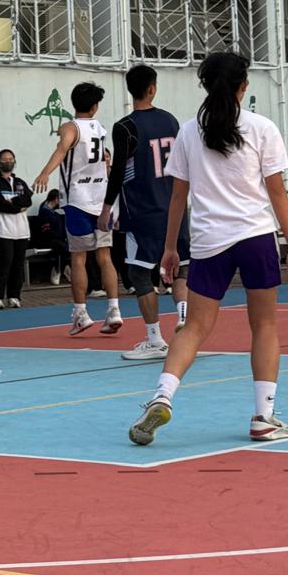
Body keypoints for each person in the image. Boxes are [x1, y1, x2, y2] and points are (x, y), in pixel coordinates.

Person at [129, 52, 288, 447]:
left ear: (205, 86)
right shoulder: (262, 128)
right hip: (256, 237)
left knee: (193, 328)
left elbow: (178, 196)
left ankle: (162, 396)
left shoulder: (189, 132)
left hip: (209, 242)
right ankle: (264, 417)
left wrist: (170, 248)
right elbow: (278, 193)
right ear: (244, 86)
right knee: (265, 326)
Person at [102, 64, 191, 364]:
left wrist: (107, 207)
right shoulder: (170, 121)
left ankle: (155, 339)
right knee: (180, 266)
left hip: (143, 210)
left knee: (139, 273)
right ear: (153, 89)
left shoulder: (125, 127)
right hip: (175, 207)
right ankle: (184, 319)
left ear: (130, 90)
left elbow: (117, 172)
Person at [34, 83, 123, 337]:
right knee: (105, 257)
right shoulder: (99, 128)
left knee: (78, 258)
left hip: (77, 200)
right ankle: (114, 310)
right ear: (95, 107)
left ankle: (81, 313)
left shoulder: (70, 127)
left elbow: (62, 149)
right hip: (101, 200)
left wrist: (45, 172)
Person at [0, 149, 33, 309]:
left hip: (21, 231)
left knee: (18, 265)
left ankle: (14, 296)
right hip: (3, 231)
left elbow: (28, 200)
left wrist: (13, 202)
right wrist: (17, 207)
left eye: (10, 159)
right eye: (5, 159)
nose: (8, 162)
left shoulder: (19, 182)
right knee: (5, 263)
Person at [35, 190, 70, 285]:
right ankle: (59, 269)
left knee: (67, 246)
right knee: (61, 247)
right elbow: (46, 231)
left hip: (57, 240)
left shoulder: (56, 213)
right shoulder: (44, 212)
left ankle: (63, 268)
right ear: (56, 199)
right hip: (47, 240)